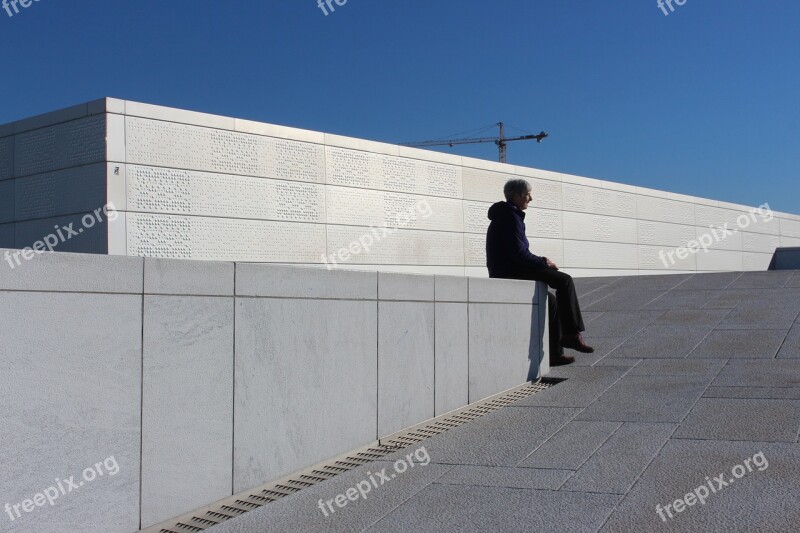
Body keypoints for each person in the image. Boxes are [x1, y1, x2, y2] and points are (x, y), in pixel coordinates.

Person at [486, 179, 594, 366]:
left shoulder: (506, 215)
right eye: (528, 194)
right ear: (516, 195)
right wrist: (543, 262)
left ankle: (554, 354)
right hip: (511, 271)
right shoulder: (510, 217)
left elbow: (517, 252)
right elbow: (519, 254)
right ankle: (571, 335)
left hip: (508, 269)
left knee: (550, 302)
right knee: (564, 280)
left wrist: (540, 262)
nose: (531, 198)